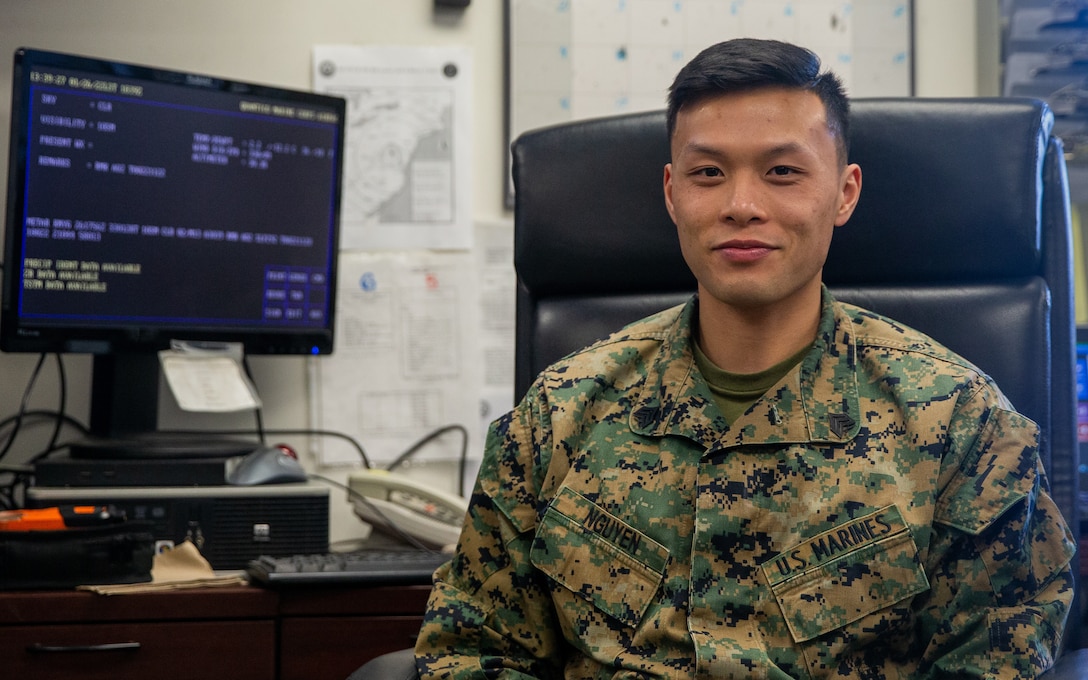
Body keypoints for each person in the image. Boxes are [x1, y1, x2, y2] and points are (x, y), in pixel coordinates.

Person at [414, 38, 1076, 678]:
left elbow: (995, 661)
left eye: (782, 172)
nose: (741, 206)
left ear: (844, 192)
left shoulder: (960, 425)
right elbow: (473, 650)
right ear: (673, 192)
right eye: (709, 174)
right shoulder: (558, 418)